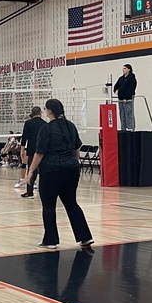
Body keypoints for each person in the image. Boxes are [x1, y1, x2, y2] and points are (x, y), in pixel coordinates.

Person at [26, 99, 94, 250]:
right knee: (71, 203)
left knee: (49, 206)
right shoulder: (70, 126)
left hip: (52, 171)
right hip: (71, 170)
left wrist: (31, 171)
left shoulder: (47, 128)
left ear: (49, 111)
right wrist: (73, 163)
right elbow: (77, 148)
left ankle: (51, 240)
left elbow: (39, 152)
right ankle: (85, 237)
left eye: (46, 109)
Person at [19, 107, 46, 197]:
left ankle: (29, 192)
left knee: (31, 171)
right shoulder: (45, 124)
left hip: (31, 150)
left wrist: (22, 150)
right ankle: (44, 192)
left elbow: (24, 137)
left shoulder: (28, 123)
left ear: (32, 113)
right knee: (43, 172)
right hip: (42, 150)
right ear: (40, 113)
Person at [112, 64, 137, 131]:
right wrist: (115, 90)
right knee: (122, 113)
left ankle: (130, 127)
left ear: (129, 69)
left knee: (128, 112)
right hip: (120, 99)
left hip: (127, 99)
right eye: (123, 68)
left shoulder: (131, 78)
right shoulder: (121, 78)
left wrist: (127, 97)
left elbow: (131, 89)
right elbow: (116, 86)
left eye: (125, 68)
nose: (123, 70)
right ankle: (123, 127)